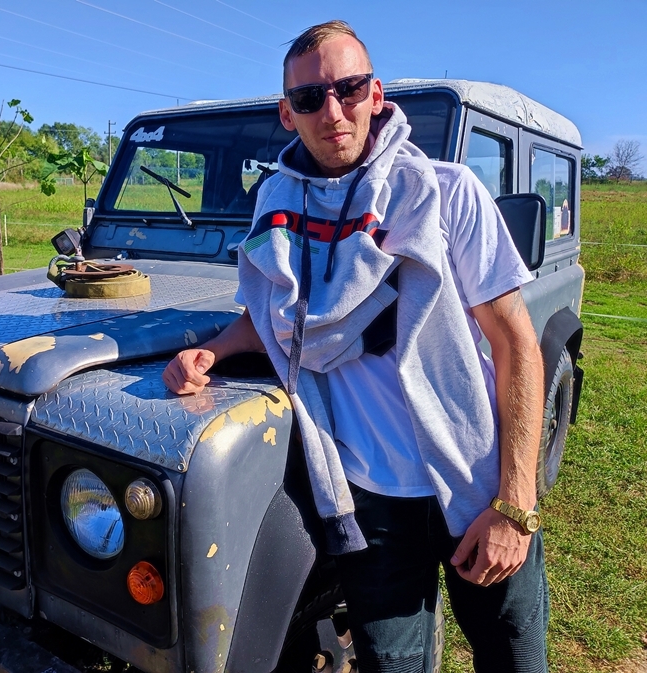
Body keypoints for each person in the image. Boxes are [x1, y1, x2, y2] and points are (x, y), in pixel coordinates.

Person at [163, 20, 548, 673]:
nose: (333, 111)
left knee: (512, 657)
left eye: (348, 88)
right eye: (310, 98)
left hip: (475, 477)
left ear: (376, 94)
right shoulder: (275, 210)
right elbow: (272, 316)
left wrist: (515, 502)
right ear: (288, 113)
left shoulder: (446, 192)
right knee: (391, 664)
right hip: (367, 494)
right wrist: (216, 351)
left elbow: (516, 343)